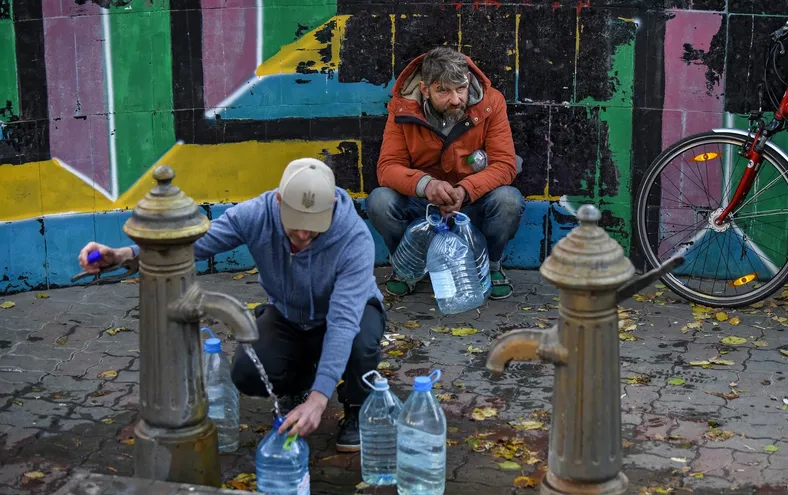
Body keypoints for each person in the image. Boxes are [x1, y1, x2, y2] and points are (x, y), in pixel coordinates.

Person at [77, 158, 385, 453]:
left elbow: (343, 321)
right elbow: (192, 245)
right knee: (248, 372)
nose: (304, 236)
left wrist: (320, 401)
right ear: (278, 201)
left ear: (331, 206)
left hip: (351, 313)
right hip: (291, 315)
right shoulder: (256, 215)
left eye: (313, 227)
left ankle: (357, 405)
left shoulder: (354, 239)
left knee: (359, 342)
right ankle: (297, 384)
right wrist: (122, 256)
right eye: (296, 225)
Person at [366, 46, 525, 300]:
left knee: (509, 200)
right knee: (380, 200)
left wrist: (465, 189)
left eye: (460, 89)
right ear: (424, 90)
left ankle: (491, 266)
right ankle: (407, 269)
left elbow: (505, 163)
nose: (455, 99)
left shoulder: (491, 102)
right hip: (423, 205)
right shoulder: (402, 107)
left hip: (471, 203)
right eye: (443, 90)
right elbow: (388, 167)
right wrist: (426, 185)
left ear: (468, 82)